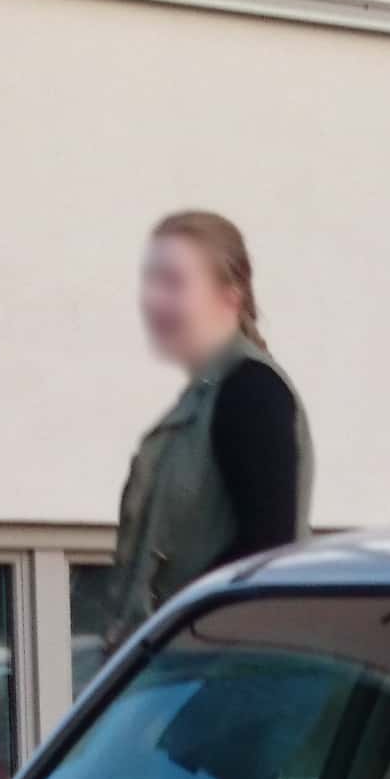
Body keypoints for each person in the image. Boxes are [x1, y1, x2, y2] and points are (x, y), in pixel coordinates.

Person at [108, 210, 311, 644]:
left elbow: (264, 552)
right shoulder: (207, 395)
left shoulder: (252, 393)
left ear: (230, 295)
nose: (154, 300)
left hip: (228, 669)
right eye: (151, 282)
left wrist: (180, 634)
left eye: (174, 283)